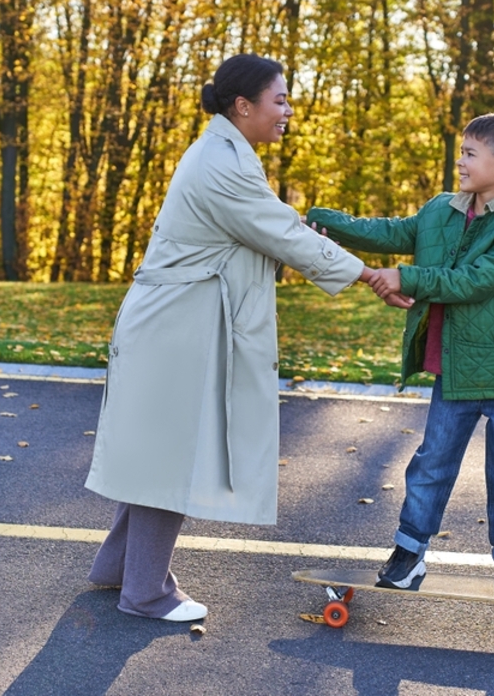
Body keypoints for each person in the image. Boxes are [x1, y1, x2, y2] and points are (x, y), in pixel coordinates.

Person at [83, 54, 406, 622]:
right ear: (243, 105)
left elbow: (263, 226)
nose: (287, 110)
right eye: (278, 100)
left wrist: (308, 240)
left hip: (179, 321)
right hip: (175, 328)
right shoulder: (222, 161)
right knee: (170, 456)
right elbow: (279, 231)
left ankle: (119, 569)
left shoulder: (227, 153)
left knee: (157, 450)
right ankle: (146, 592)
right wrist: (367, 275)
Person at [305, 111, 494, 602]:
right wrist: (318, 220)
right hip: (455, 368)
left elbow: (472, 282)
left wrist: (405, 277)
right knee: (432, 464)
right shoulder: (442, 209)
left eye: (470, 153)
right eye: (461, 151)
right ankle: (409, 554)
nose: (460, 161)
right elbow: (390, 232)